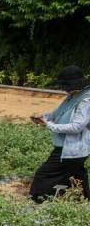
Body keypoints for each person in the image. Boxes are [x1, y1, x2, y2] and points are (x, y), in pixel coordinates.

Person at [29, 66, 90, 202]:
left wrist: (50, 126)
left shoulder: (86, 100)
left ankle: (37, 200)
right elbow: (58, 113)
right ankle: (83, 199)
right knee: (76, 175)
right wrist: (43, 117)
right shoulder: (72, 96)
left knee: (45, 174)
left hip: (73, 148)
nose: (63, 89)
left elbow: (77, 127)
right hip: (69, 147)